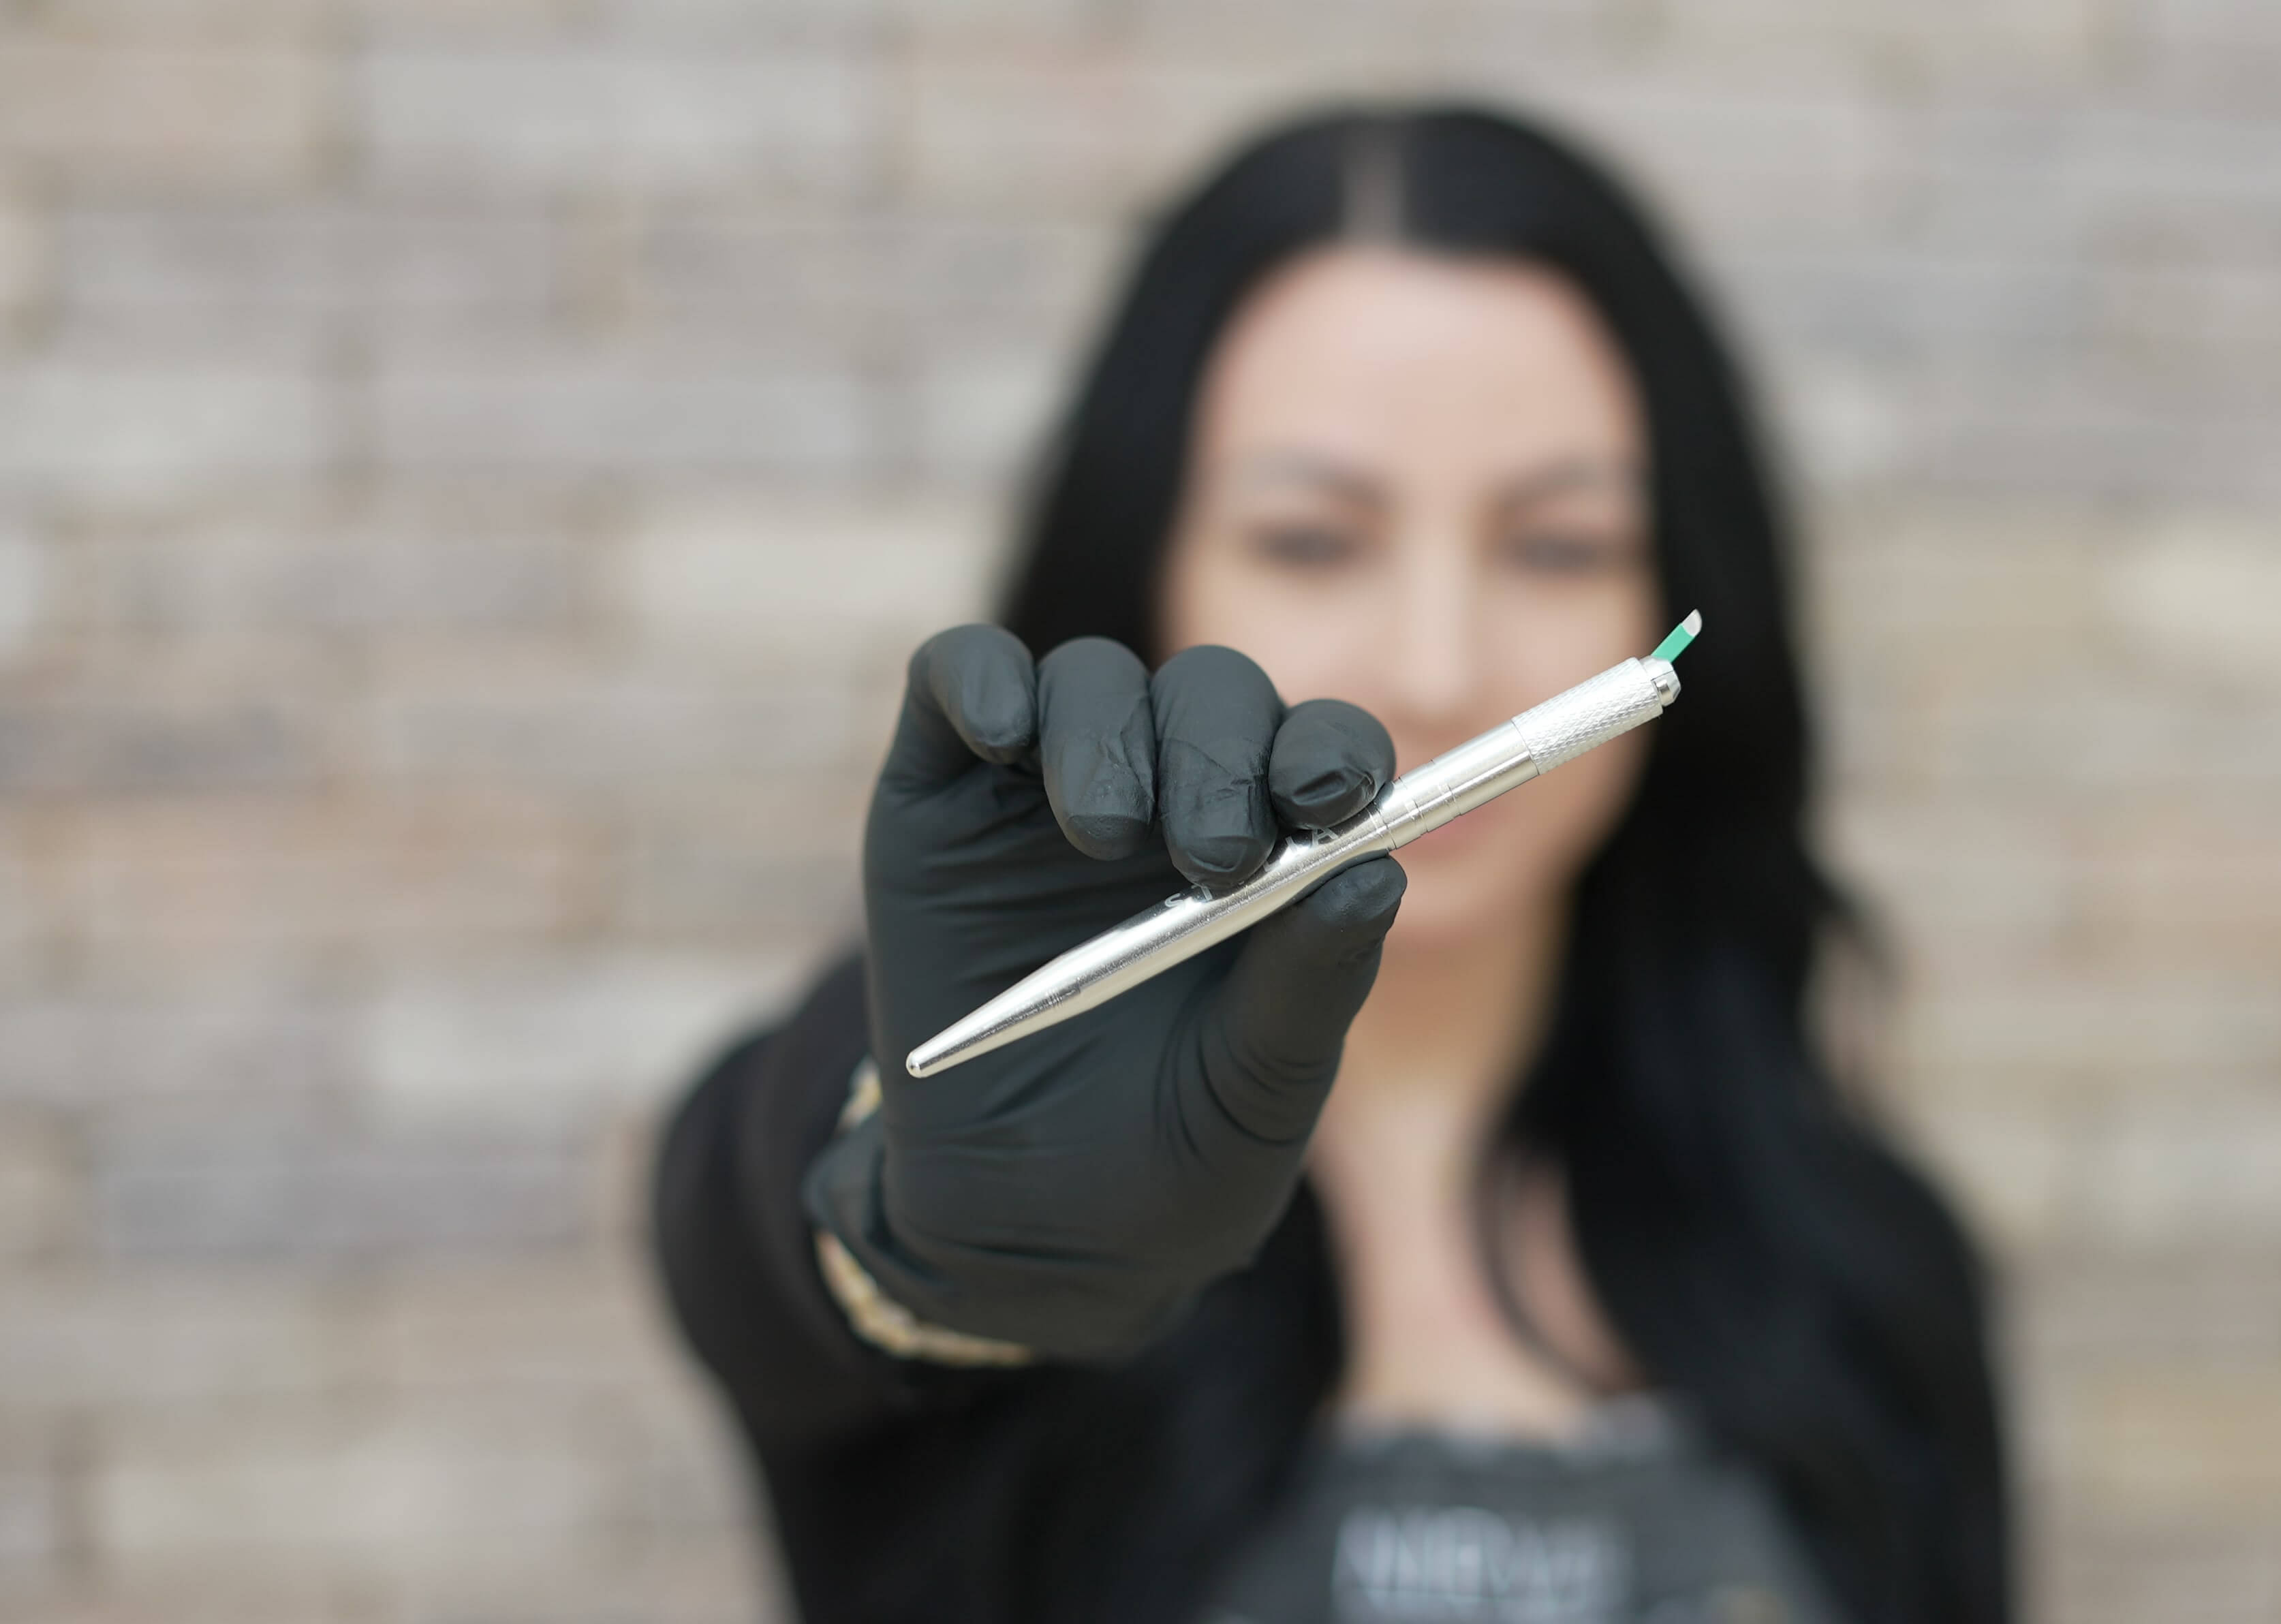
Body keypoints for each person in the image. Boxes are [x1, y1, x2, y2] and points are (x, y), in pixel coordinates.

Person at [653, 105, 2009, 1624]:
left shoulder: (1857, 1270)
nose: (1438, 667)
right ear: (1149, 572)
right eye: (1311, 540)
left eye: (1555, 546)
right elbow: (746, 1216)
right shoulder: (998, 1188)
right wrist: (920, 1202)